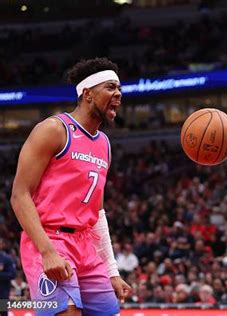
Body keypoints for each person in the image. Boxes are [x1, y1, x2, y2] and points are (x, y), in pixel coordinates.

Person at [10, 57, 131, 315]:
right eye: (110, 87)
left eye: (119, 88)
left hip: (85, 245)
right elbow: (19, 195)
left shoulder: (104, 144)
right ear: (88, 93)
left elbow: (97, 212)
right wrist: (47, 251)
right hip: (51, 238)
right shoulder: (54, 130)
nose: (118, 95)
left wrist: (111, 270)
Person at [0, 238, 16, 316]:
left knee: (3, 313)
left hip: (3, 294)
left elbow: (12, 274)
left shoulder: (7, 259)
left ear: (2, 245)